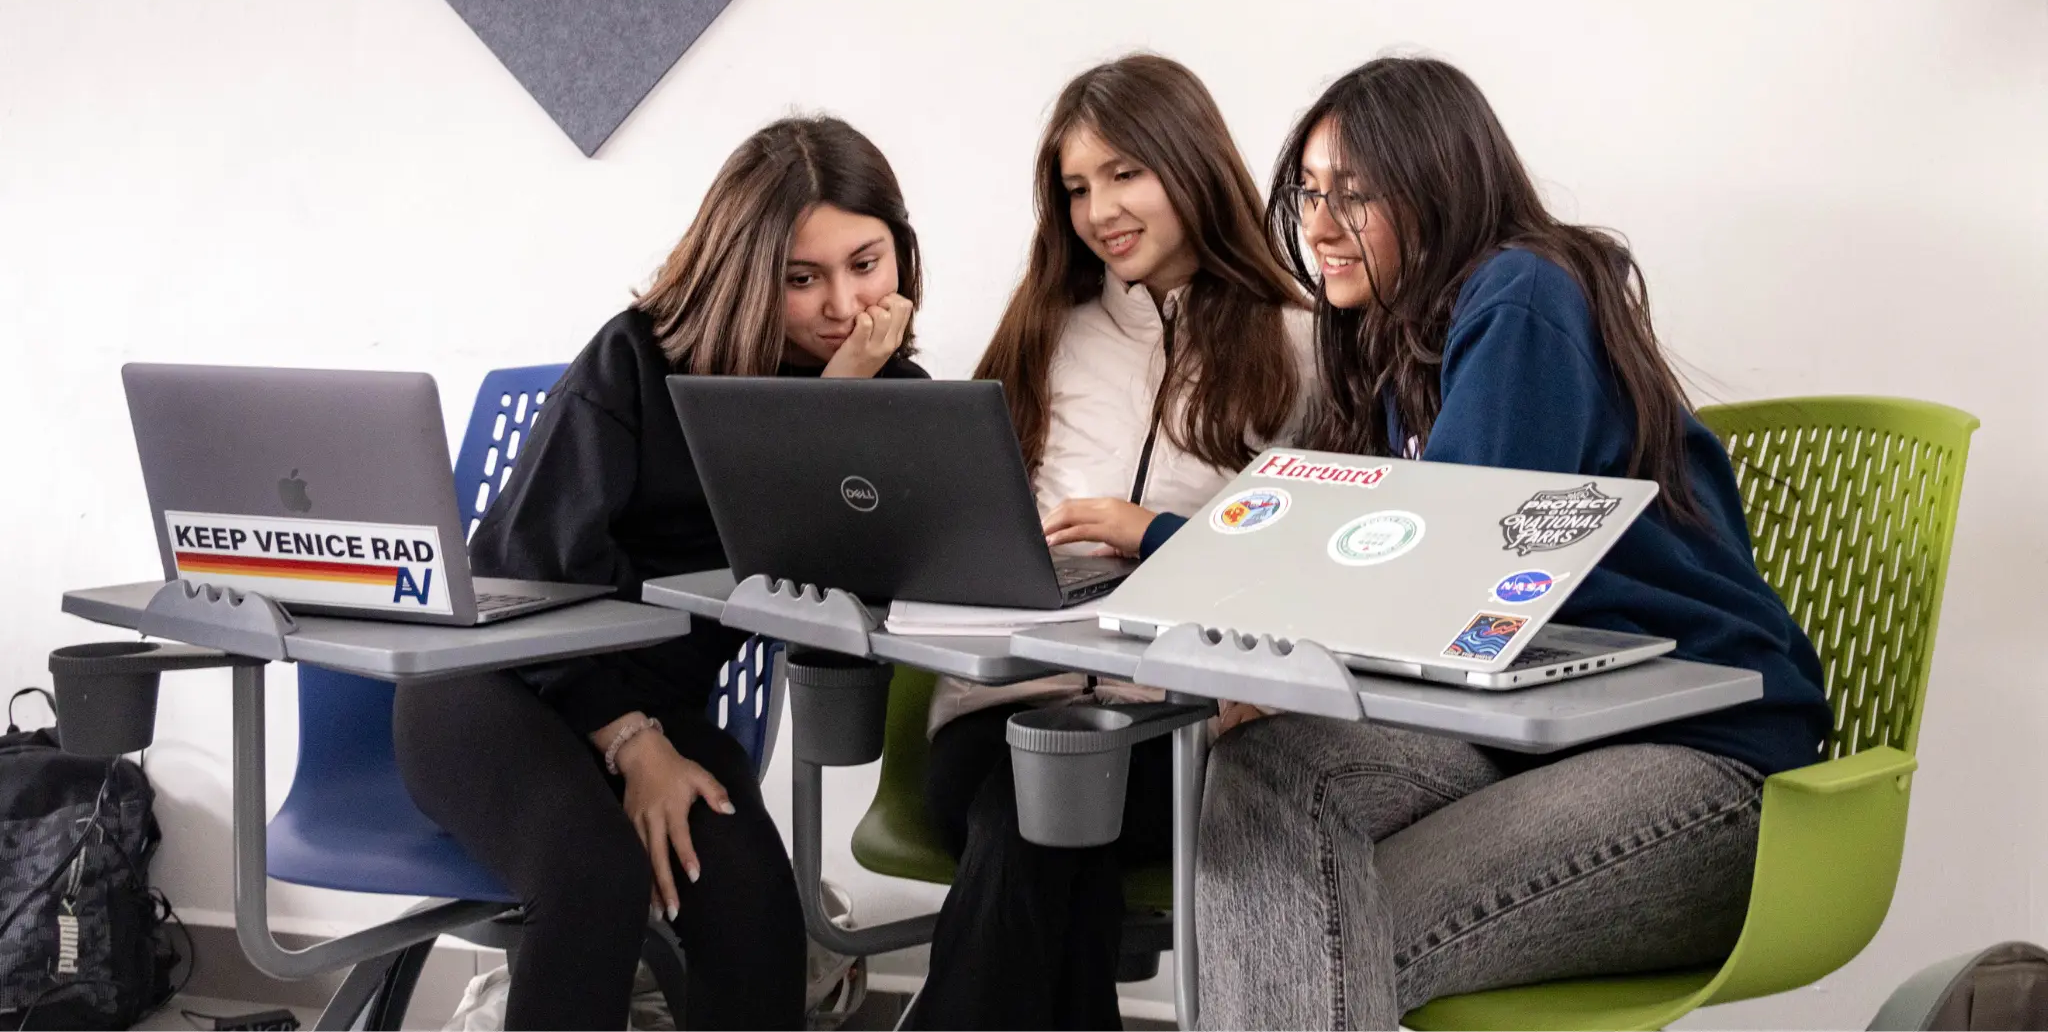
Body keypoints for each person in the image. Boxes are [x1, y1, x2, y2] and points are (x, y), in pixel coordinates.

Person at [1061, 57, 1832, 1029]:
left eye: (1355, 194)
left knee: (1305, 928)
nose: (1319, 226)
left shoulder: (1521, 295)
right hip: (1535, 741)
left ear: (1440, 186)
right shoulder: (1398, 348)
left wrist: (1172, 538)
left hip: (1702, 763)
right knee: (1269, 785)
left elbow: (1432, 572)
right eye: (1306, 194)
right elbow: (1362, 552)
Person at [393, 118, 929, 1031]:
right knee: (593, 869)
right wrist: (632, 742)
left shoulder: (892, 392)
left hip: (666, 713)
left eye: (866, 263)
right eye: (802, 278)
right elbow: (527, 575)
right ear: (743, 270)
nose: (843, 302)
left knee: (752, 891)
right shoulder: (636, 359)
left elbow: (832, 578)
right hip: (494, 686)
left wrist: (845, 393)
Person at [907, 54, 1311, 1030]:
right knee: (1039, 799)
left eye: (1124, 172)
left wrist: (1155, 538)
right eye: (1076, 186)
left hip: (1182, 725)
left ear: (1189, 162)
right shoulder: (1046, 331)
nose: (1098, 209)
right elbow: (954, 524)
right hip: (994, 707)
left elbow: (1319, 561)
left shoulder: (1298, 342)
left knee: (1043, 824)